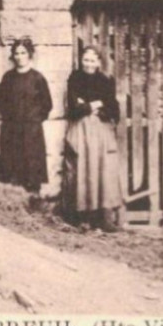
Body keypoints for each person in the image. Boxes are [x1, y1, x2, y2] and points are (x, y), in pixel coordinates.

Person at [62, 45, 123, 232]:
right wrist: (95, 104)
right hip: (81, 130)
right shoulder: (75, 79)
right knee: (82, 169)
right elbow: (73, 108)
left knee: (102, 170)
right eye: (85, 60)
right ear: (81, 61)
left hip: (101, 130)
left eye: (92, 60)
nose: (88, 64)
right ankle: (81, 217)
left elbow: (113, 109)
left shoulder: (106, 81)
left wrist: (87, 105)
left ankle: (103, 219)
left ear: (98, 62)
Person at [0, 37, 52, 193]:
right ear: (13, 56)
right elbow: (2, 102)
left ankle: (34, 203)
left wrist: (34, 120)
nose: (20, 56)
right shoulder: (8, 78)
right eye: (17, 53)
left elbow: (47, 105)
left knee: (32, 170)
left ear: (30, 54)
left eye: (23, 53)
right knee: (13, 169)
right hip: (11, 131)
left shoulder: (38, 78)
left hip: (31, 132)